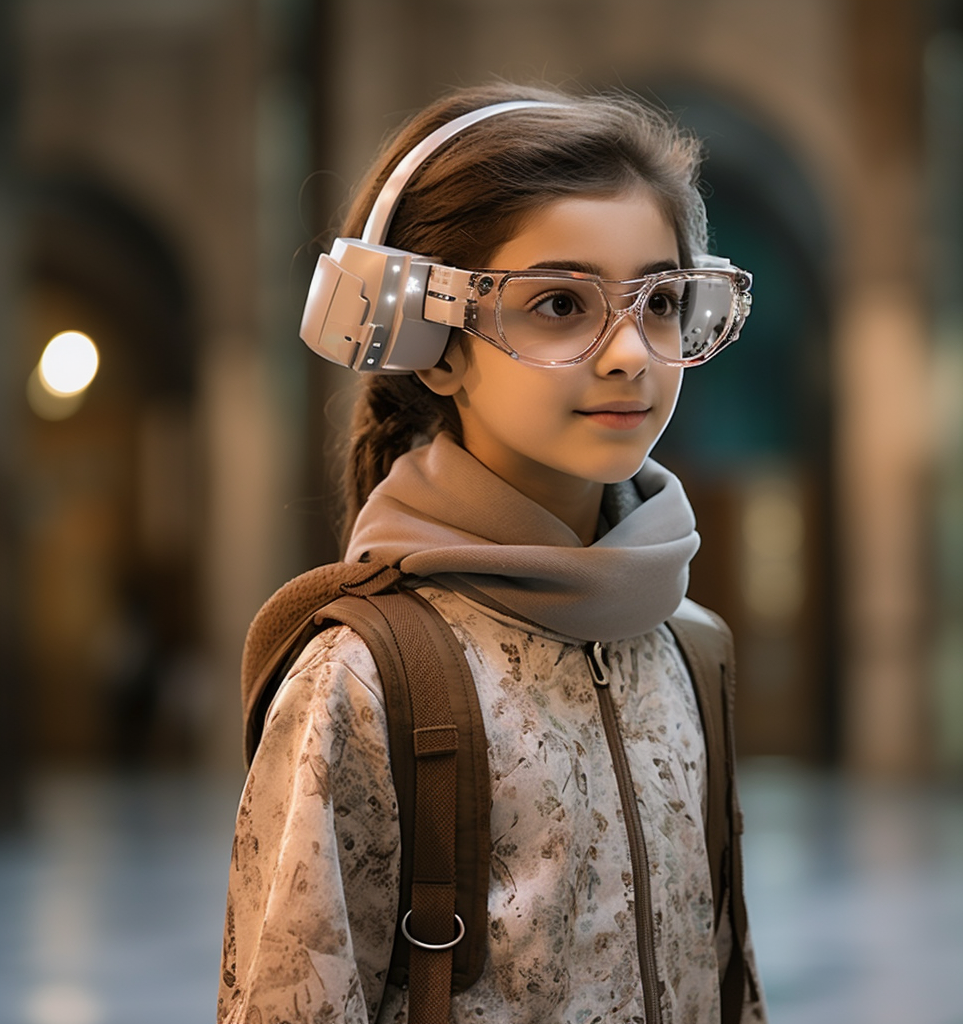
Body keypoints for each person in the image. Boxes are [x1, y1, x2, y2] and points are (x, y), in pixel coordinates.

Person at [218, 82, 765, 1024]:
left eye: (664, 299)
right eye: (559, 303)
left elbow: (729, 979)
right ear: (433, 343)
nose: (633, 352)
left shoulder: (692, 646)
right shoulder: (361, 677)